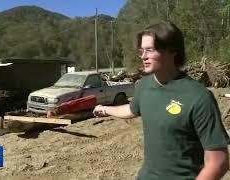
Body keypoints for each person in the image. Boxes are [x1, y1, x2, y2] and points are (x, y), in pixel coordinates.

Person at [93, 21, 230, 180]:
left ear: (172, 51)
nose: (143, 56)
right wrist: (104, 109)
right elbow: (132, 109)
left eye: (150, 50)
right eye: (141, 51)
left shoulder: (199, 97)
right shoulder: (144, 86)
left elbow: (218, 162)